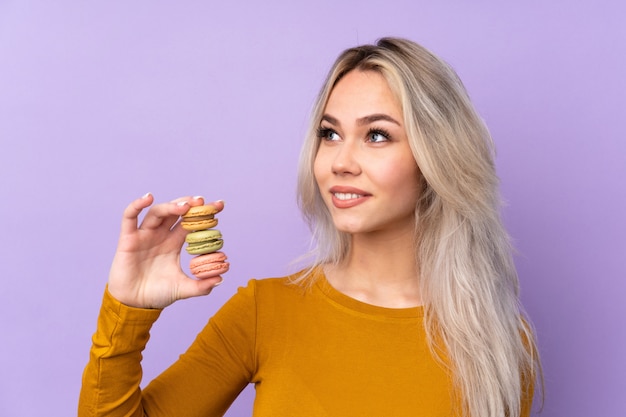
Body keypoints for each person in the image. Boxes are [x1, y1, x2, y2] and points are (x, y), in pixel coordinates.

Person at [79, 37, 541, 417]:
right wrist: (127, 309)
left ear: (436, 155)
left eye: (376, 135)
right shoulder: (266, 312)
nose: (340, 162)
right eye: (329, 133)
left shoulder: (498, 342)